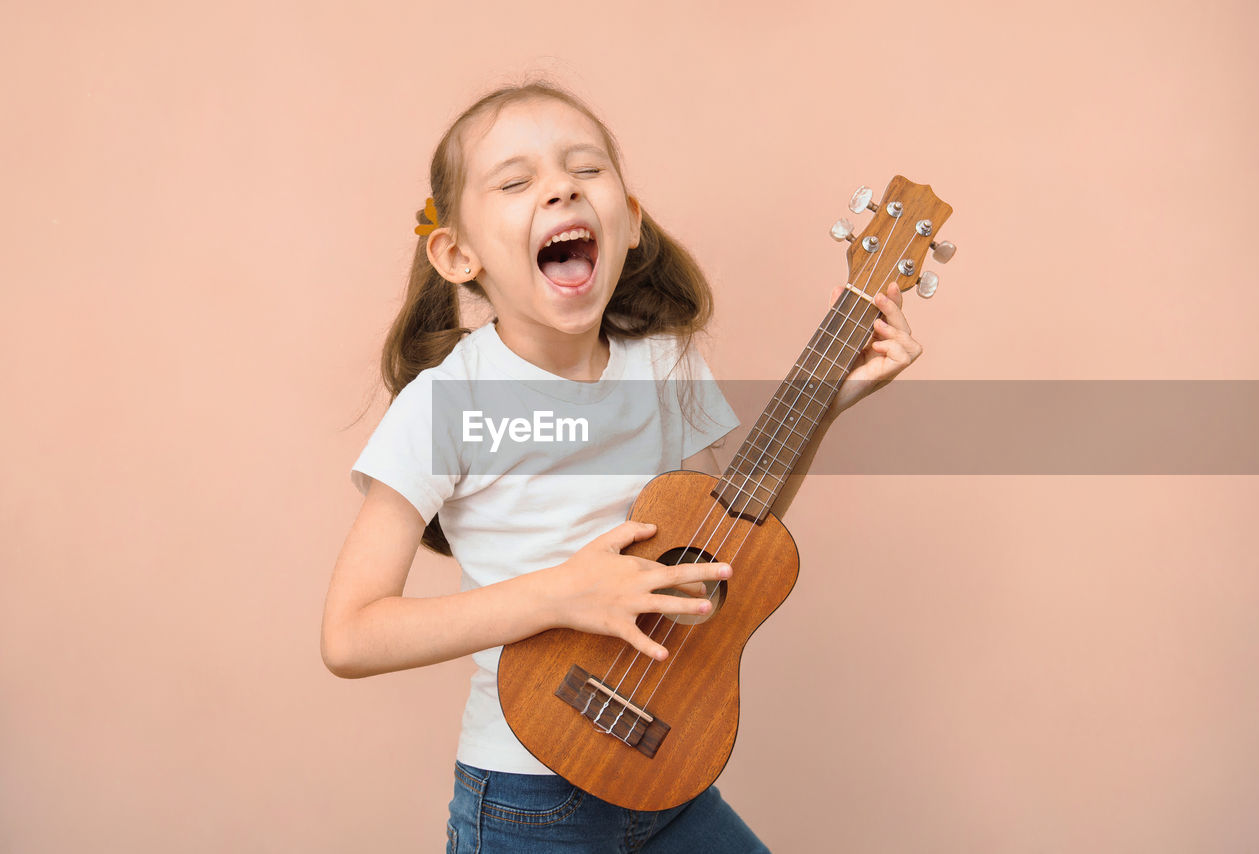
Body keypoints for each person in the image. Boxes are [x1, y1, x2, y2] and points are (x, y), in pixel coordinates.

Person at [320, 78, 923, 853]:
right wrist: (563, 593)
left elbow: (722, 546)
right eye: (516, 180)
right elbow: (351, 635)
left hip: (667, 772)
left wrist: (827, 400)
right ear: (457, 254)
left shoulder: (666, 366)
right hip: (528, 796)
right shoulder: (446, 405)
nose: (560, 187)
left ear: (629, 223)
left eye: (586, 169)